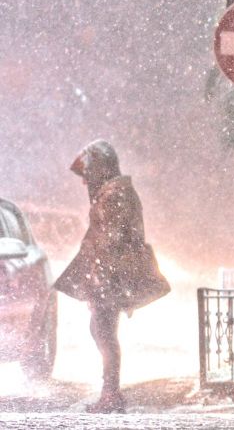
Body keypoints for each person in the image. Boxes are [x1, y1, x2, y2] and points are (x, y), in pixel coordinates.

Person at [53, 140, 170, 413]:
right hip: (107, 277)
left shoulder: (116, 195)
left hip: (110, 279)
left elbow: (112, 241)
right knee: (101, 331)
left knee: (104, 333)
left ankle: (111, 395)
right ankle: (110, 392)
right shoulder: (114, 193)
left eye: (87, 174)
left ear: (100, 168)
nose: (84, 183)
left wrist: (100, 278)